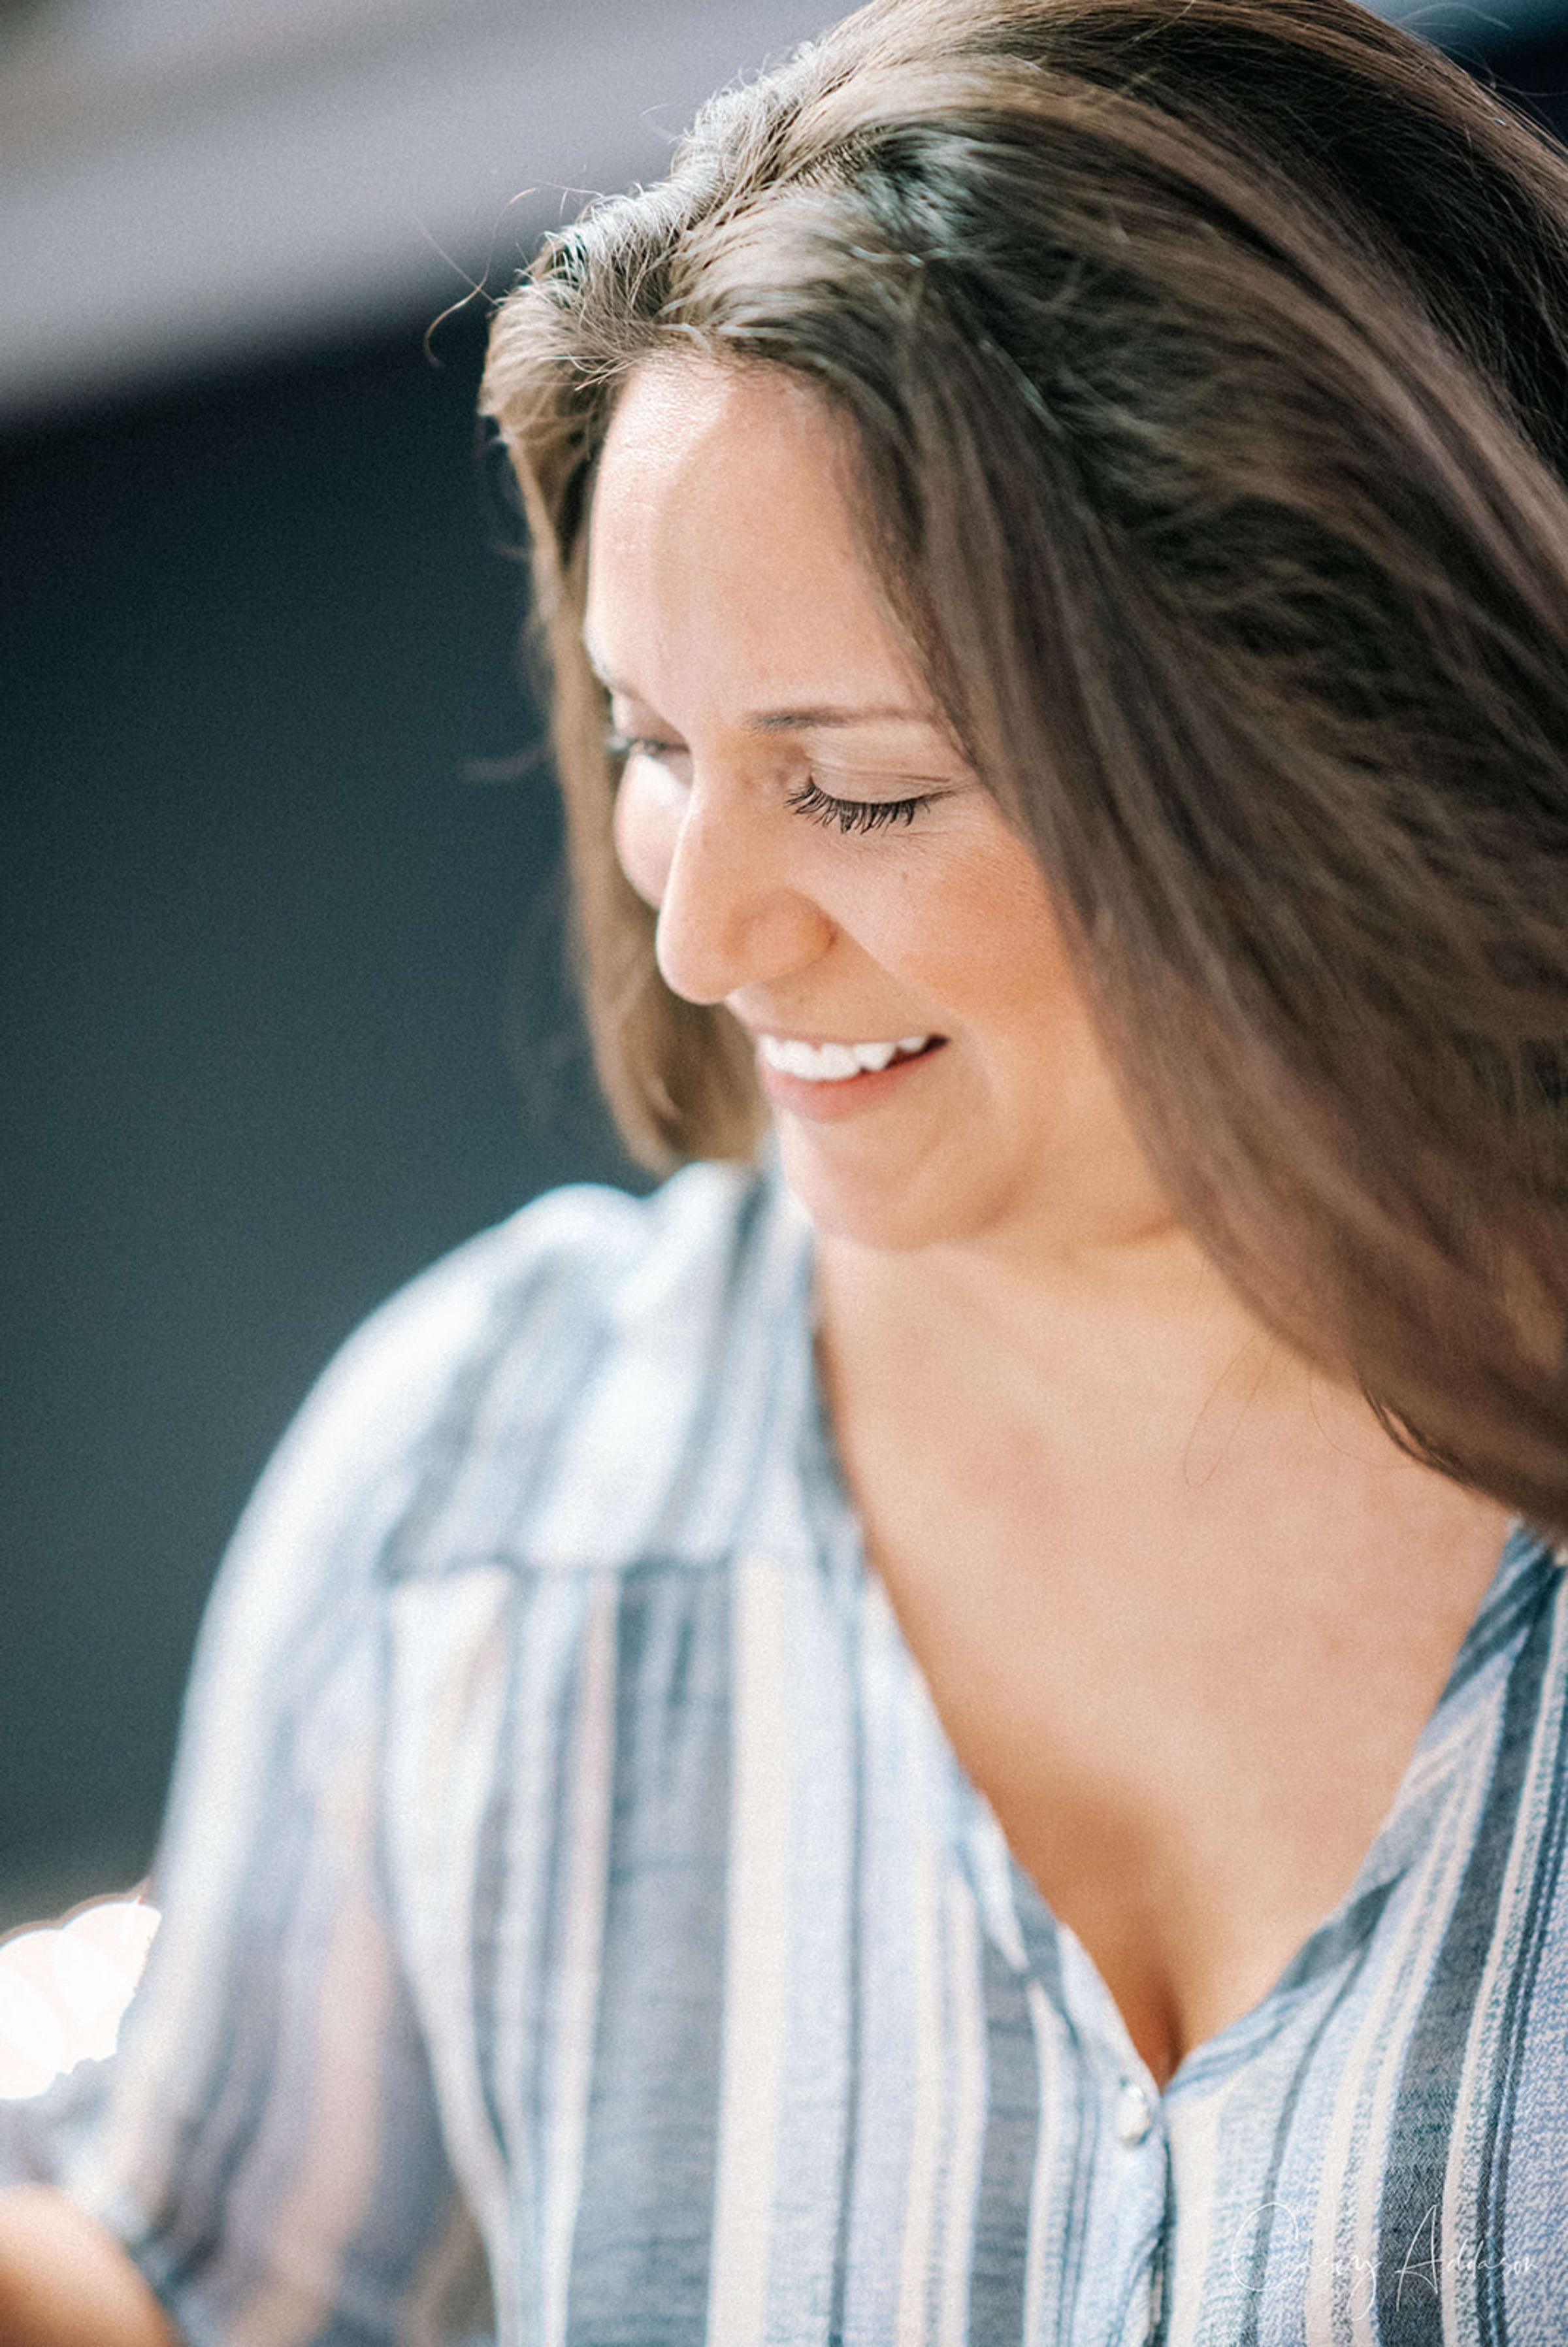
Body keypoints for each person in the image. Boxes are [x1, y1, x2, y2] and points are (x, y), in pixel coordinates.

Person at [7, 0, 1568, 2336]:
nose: (706, 926)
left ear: (1327, 735)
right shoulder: (486, 1483)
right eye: (655, 745)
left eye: (859, 785)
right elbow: (211, 2297)